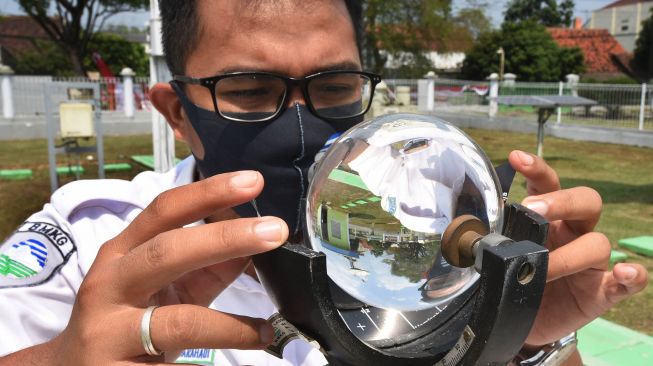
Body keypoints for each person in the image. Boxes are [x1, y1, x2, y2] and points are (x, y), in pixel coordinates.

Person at [0, 0, 648, 365]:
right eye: (250, 90)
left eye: (334, 87)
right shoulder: (97, 235)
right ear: (177, 113)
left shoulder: (426, 228)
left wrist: (522, 340)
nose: (303, 126)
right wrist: (63, 358)